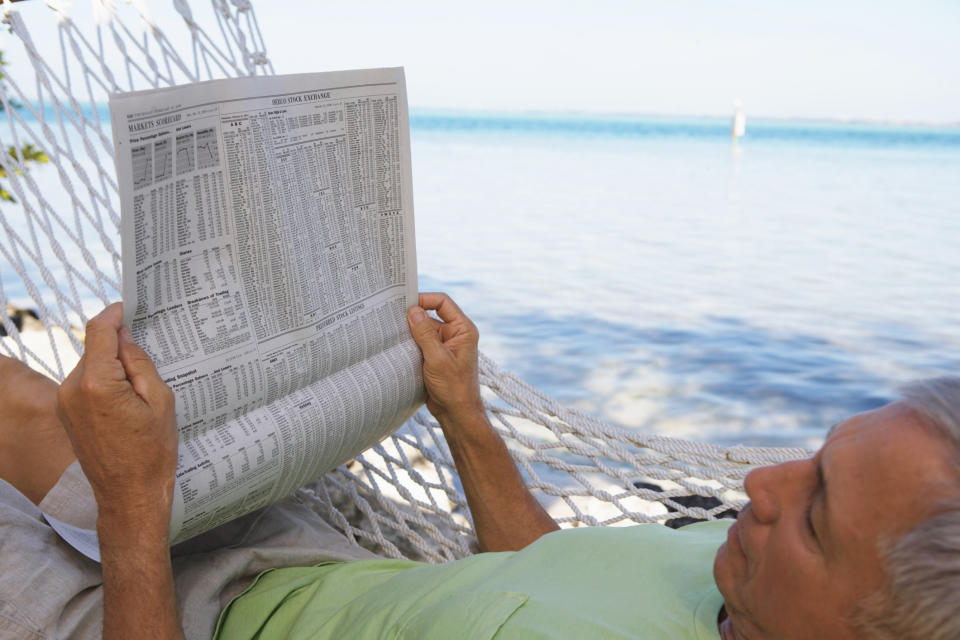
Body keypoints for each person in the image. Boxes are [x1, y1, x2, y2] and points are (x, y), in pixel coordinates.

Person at [0, 293, 958, 640]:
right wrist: (464, 413)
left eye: (814, 516)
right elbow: (550, 575)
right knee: (30, 403)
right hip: (308, 566)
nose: (760, 484)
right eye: (814, 458)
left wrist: (133, 510)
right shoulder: (741, 573)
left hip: (170, 616)